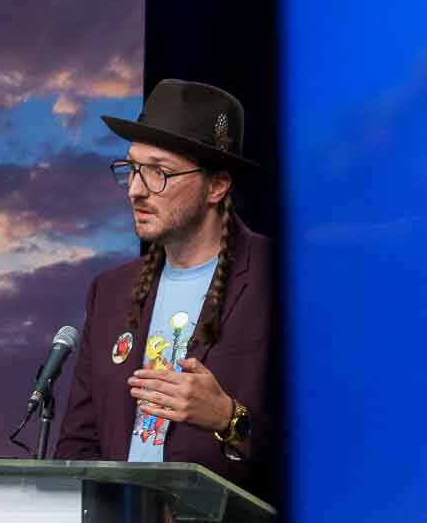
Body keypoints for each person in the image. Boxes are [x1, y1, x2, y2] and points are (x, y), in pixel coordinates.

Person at [54, 78, 273, 493]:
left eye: (159, 172)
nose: (136, 189)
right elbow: (78, 446)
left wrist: (229, 418)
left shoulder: (279, 280)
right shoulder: (110, 292)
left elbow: (340, 446)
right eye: (132, 169)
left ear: (218, 185)